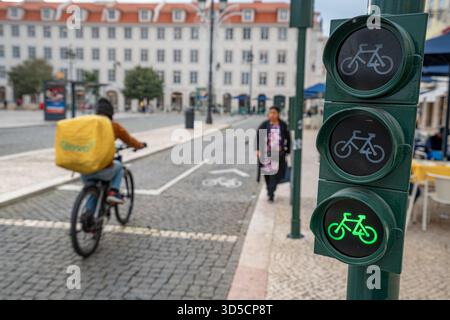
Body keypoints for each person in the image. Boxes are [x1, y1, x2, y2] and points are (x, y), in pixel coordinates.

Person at [81, 98, 146, 205]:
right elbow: (129, 140)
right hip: (102, 170)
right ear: (111, 113)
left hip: (84, 169)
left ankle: (87, 215)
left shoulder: (89, 124)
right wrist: (140, 145)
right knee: (119, 166)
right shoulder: (114, 126)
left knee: (94, 191)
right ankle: (113, 192)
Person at [256, 106, 291, 202]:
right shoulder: (265, 125)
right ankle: (269, 189)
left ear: (278, 114)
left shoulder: (283, 125)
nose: (272, 114)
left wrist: (287, 150)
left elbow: (288, 138)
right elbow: (259, 137)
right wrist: (258, 150)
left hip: (278, 154)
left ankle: (271, 192)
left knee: (275, 175)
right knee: (267, 174)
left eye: (274, 112)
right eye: (270, 112)